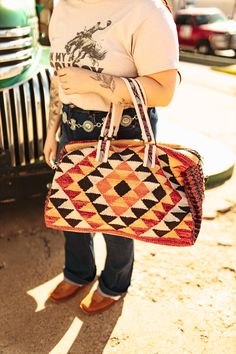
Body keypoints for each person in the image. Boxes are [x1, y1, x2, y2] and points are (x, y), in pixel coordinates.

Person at [44, 0, 179, 315]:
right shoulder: (62, 6)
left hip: (123, 131)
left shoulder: (146, 11)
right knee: (72, 213)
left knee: (117, 221)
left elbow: (164, 91)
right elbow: (59, 73)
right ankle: (78, 272)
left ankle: (114, 284)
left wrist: (92, 83)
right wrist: (52, 130)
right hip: (72, 127)